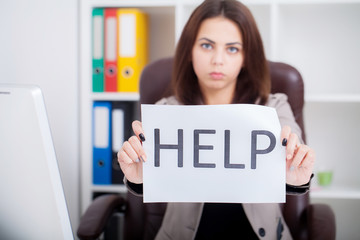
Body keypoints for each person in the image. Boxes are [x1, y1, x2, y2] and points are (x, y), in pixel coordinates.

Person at [118, 0, 315, 239]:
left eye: (232, 48)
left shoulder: (274, 107)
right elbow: (157, 177)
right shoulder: (166, 112)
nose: (218, 60)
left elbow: (292, 156)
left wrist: (294, 175)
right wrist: (141, 179)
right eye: (206, 45)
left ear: (246, 57)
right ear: (189, 51)